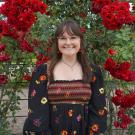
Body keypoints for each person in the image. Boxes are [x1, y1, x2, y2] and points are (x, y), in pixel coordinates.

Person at [23, 19, 107, 135]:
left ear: (80, 41)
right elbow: (37, 109)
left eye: (73, 38)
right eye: (63, 38)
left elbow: (98, 109)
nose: (68, 42)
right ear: (57, 42)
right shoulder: (44, 71)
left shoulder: (92, 71)